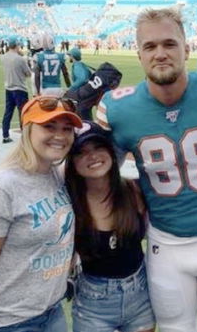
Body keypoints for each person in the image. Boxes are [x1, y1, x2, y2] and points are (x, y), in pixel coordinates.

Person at [97, 7, 197, 332]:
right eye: (150, 47)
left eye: (169, 44)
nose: (160, 53)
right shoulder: (118, 108)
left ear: (187, 49)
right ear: (138, 55)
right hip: (164, 242)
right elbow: (95, 170)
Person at [0, 96, 83, 332]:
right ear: (27, 128)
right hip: (10, 323)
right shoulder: (0, 187)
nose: (60, 135)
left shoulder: (56, 174)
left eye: (67, 129)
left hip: (52, 314)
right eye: (48, 126)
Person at [65, 121, 156, 332]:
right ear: (71, 161)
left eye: (99, 147)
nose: (93, 156)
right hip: (92, 303)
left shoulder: (134, 190)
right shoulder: (68, 202)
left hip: (140, 295)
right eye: (81, 152)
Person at [0, 36, 31, 144]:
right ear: (17, 45)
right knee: (23, 113)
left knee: (8, 112)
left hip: (8, 87)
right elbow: (28, 73)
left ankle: (5, 135)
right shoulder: (20, 59)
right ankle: (25, 136)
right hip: (20, 88)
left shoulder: (3, 57)